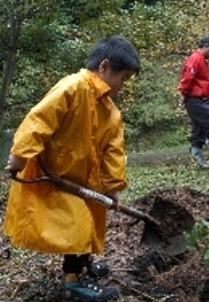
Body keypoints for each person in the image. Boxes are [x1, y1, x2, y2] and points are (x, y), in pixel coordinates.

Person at [3, 35, 141, 302]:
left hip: (88, 180)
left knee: (90, 223)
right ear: (104, 67)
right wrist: (20, 156)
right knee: (76, 226)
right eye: (122, 78)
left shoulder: (110, 110)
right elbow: (39, 121)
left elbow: (113, 150)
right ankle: (72, 282)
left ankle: (83, 266)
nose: (122, 86)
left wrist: (112, 186)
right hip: (57, 175)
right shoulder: (72, 87)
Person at [178, 37, 209, 169]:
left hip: (199, 98)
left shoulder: (202, 60)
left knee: (199, 128)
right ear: (207, 46)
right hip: (195, 99)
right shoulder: (196, 58)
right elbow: (188, 79)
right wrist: (184, 94)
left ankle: (197, 157)